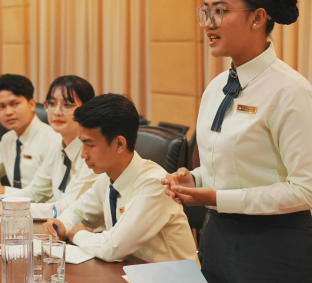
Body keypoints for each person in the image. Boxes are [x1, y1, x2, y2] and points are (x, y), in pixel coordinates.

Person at [162, 0, 312, 283]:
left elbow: (310, 190)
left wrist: (216, 197)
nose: (209, 24)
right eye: (206, 12)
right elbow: (229, 165)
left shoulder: (290, 91)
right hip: (219, 241)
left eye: (220, 11)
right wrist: (195, 178)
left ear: (257, 18)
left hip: (277, 252)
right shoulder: (217, 87)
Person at [44, 94, 198, 264]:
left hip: (173, 278)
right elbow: (77, 212)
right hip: (131, 274)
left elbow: (112, 248)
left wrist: (78, 234)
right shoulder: (108, 178)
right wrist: (63, 225)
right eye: (82, 144)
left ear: (119, 144)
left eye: (90, 145)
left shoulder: (154, 184)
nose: (83, 154)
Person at [0, 75, 99, 219]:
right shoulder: (57, 147)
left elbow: (70, 208)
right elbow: (35, 192)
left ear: (87, 109)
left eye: (67, 105)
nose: (57, 112)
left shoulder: (93, 153)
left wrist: (8, 208)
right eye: (52, 104)